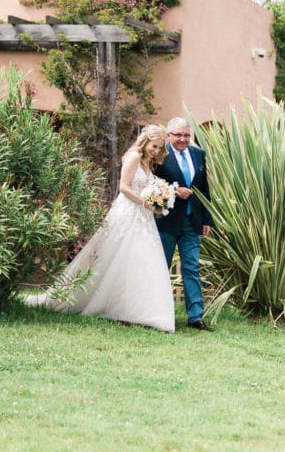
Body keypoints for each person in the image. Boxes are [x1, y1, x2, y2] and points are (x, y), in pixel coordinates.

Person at [24, 125, 175, 332]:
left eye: (159, 149)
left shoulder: (148, 162)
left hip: (143, 218)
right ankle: (107, 304)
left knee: (142, 260)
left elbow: (146, 188)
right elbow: (123, 187)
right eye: (154, 146)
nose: (156, 151)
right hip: (128, 213)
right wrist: (145, 203)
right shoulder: (132, 156)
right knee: (116, 257)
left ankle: (141, 312)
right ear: (145, 141)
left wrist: (159, 202)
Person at [153, 116, 213, 331]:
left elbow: (204, 188)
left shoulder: (198, 154)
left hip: (192, 222)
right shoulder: (160, 155)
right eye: (178, 135)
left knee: (191, 268)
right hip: (166, 221)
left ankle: (196, 317)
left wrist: (207, 219)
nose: (182, 139)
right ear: (169, 135)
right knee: (161, 267)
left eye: (186, 135)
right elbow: (152, 184)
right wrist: (173, 190)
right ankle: (157, 314)